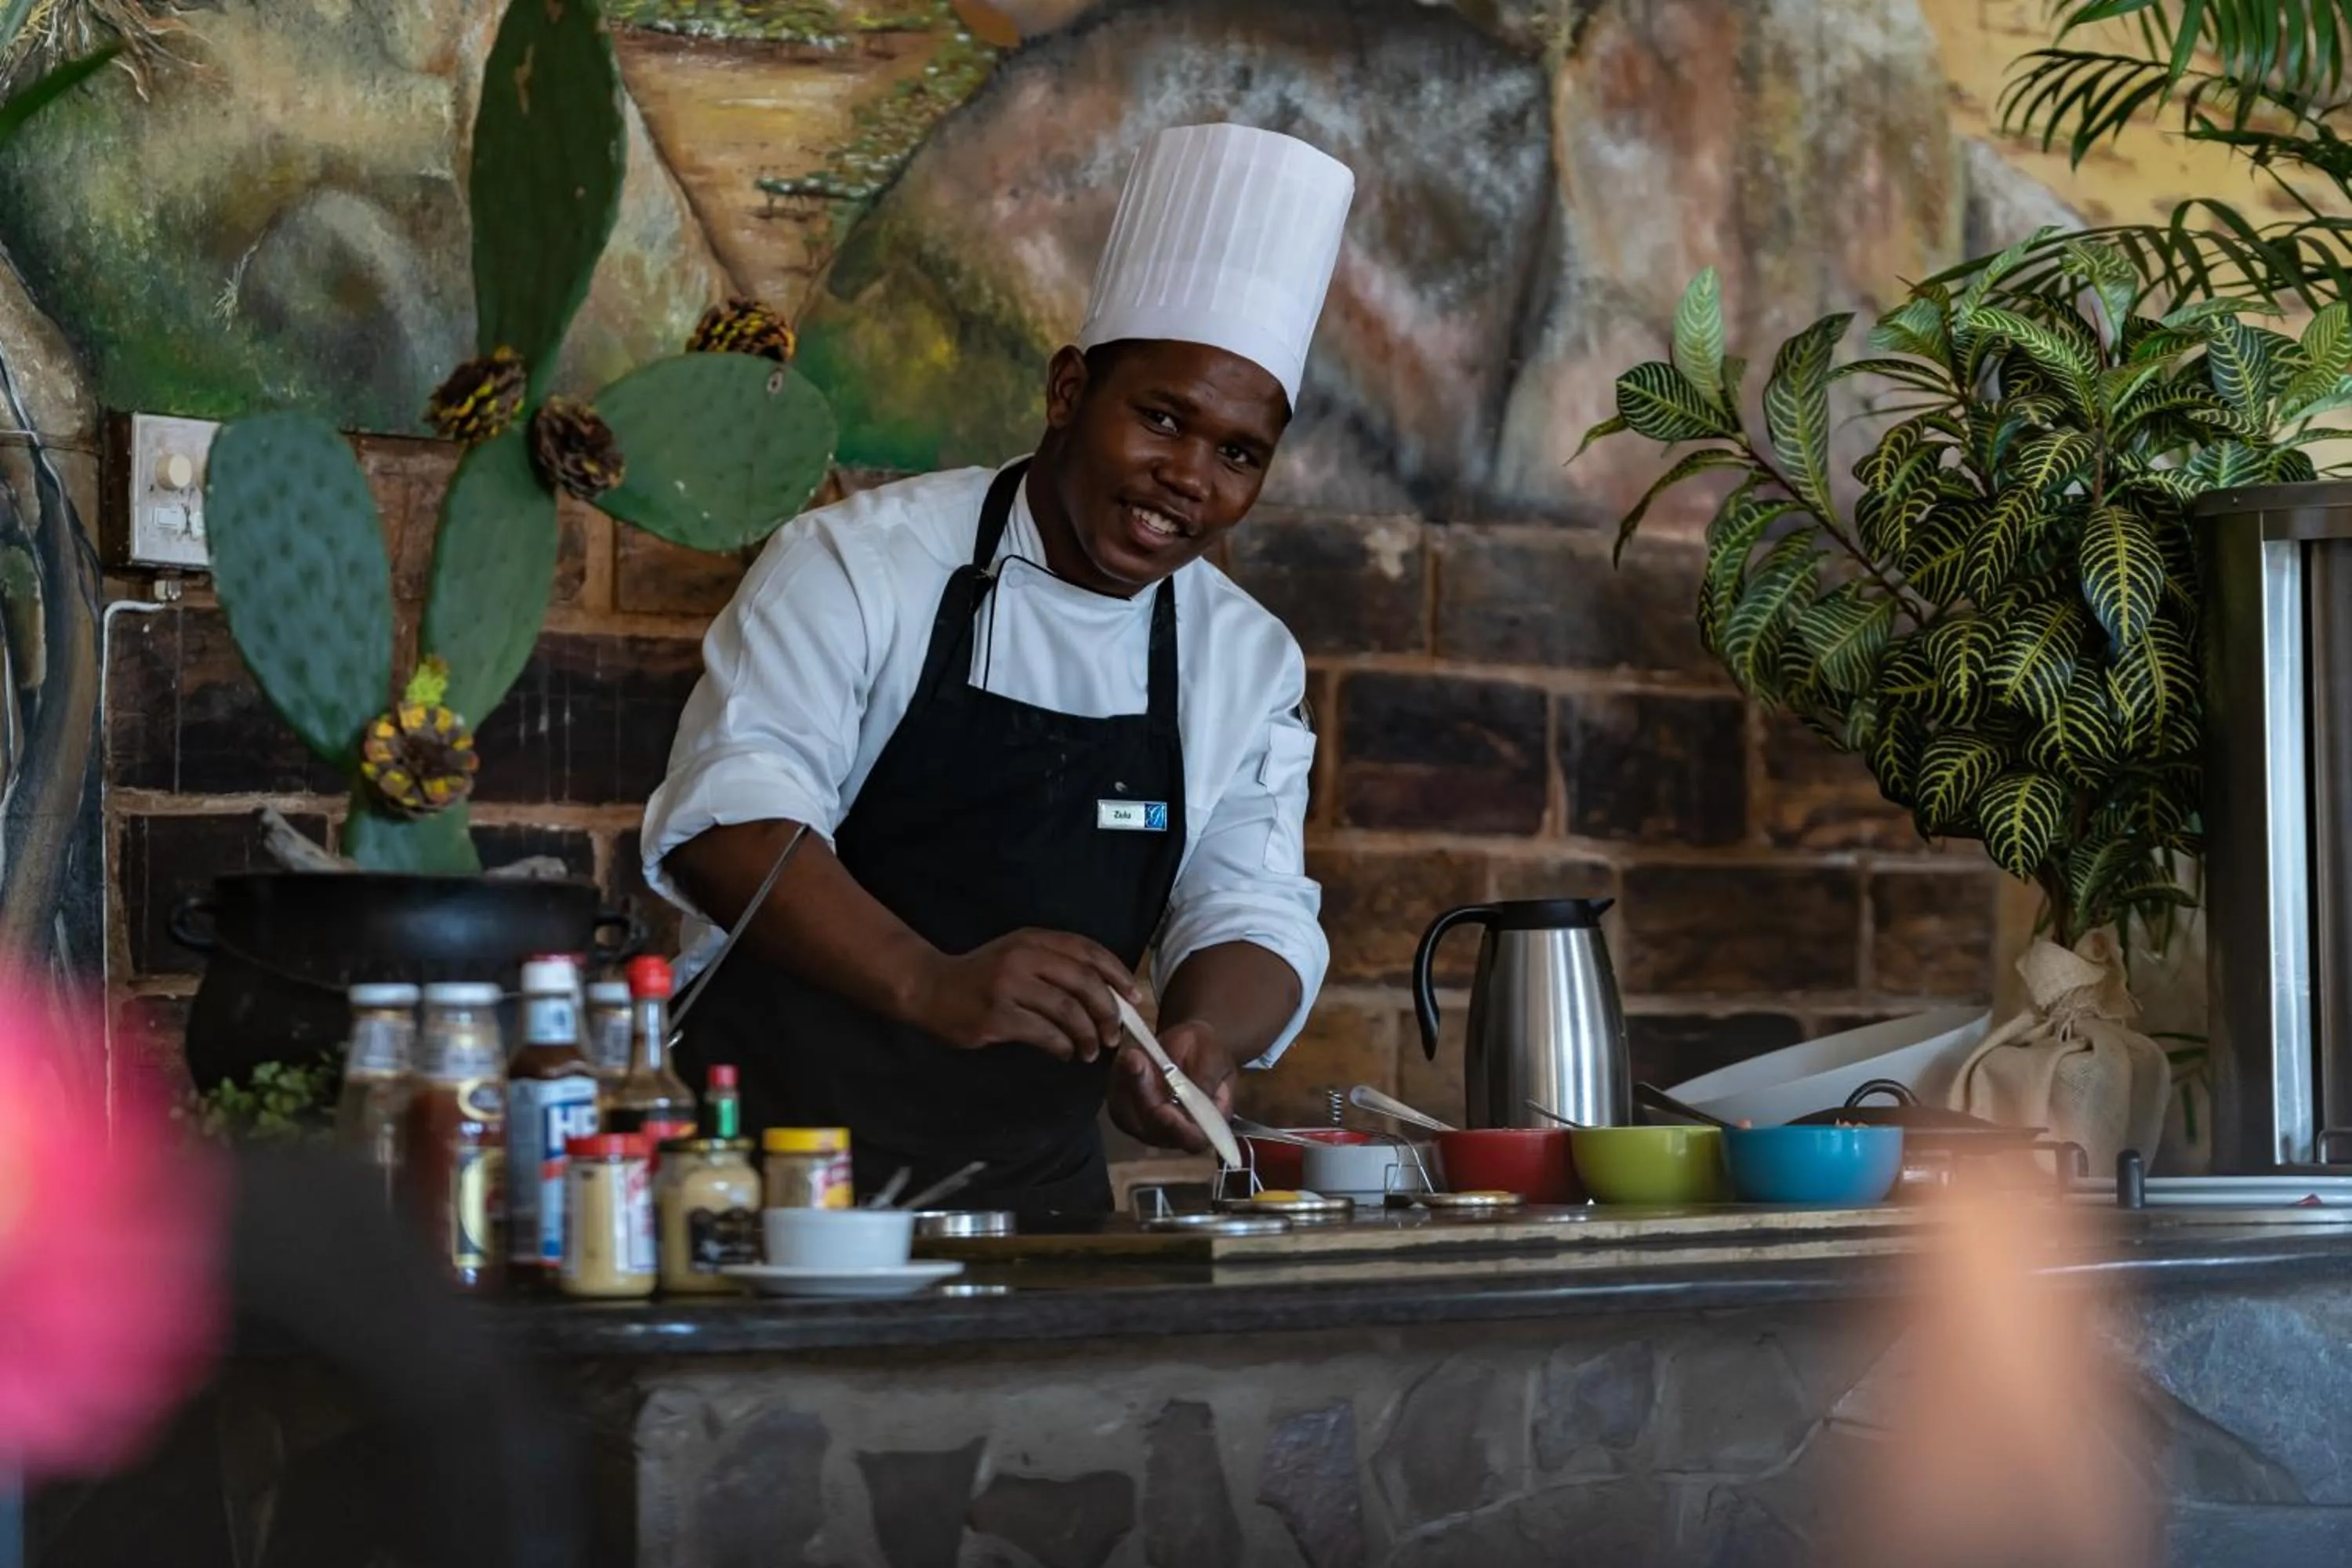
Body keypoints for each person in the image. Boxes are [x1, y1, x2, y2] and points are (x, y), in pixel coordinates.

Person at [644, 122, 1354, 1214]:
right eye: (1161, 419)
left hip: (1037, 1207)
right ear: (1069, 391)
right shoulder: (858, 564)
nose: (1188, 480)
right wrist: (931, 982)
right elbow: (727, 821)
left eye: (1238, 453)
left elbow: (1251, 904)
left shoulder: (1240, 654)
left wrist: (1201, 1036)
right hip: (766, 1184)